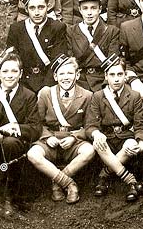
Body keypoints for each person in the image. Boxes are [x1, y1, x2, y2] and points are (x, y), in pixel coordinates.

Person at [0, 48, 42, 216]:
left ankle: (10, 194)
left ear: (21, 74)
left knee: (10, 142)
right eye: (5, 71)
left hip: (18, 142)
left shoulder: (28, 95)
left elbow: (35, 128)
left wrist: (17, 128)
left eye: (14, 71)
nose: (9, 75)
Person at [28, 55, 95, 205]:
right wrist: (46, 137)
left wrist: (74, 137)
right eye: (62, 73)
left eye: (70, 73)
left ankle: (57, 182)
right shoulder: (46, 93)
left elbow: (90, 125)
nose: (66, 77)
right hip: (50, 138)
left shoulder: (87, 95)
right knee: (33, 154)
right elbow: (37, 122)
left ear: (77, 75)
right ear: (55, 76)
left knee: (89, 151)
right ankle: (69, 183)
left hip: (73, 140)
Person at [85, 53, 143, 202]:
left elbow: (140, 125)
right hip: (107, 138)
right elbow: (90, 125)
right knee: (98, 143)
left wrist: (141, 143)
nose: (116, 79)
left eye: (120, 74)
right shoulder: (98, 96)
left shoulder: (134, 96)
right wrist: (96, 133)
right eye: (112, 74)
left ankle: (104, 175)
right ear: (106, 76)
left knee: (131, 144)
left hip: (126, 137)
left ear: (126, 76)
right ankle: (130, 181)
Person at [6, 0, 67, 93]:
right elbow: (13, 61)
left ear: (47, 7)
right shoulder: (16, 29)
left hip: (49, 83)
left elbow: (58, 61)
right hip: (23, 82)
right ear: (26, 9)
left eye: (41, 7)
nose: (37, 12)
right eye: (32, 8)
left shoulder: (58, 28)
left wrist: (46, 89)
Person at [67, 0, 120, 91]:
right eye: (85, 8)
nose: (89, 13)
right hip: (80, 82)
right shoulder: (71, 31)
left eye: (93, 8)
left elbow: (113, 64)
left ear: (100, 9)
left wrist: (106, 87)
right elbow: (70, 61)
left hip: (102, 81)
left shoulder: (112, 31)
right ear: (80, 10)